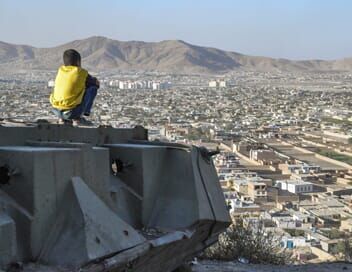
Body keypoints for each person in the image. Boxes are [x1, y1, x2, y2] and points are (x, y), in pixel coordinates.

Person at [50, 49, 99, 126]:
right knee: (93, 87)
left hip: (56, 110)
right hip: (72, 113)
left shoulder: (60, 71)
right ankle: (78, 119)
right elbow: (95, 83)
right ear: (78, 62)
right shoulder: (80, 72)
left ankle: (62, 120)